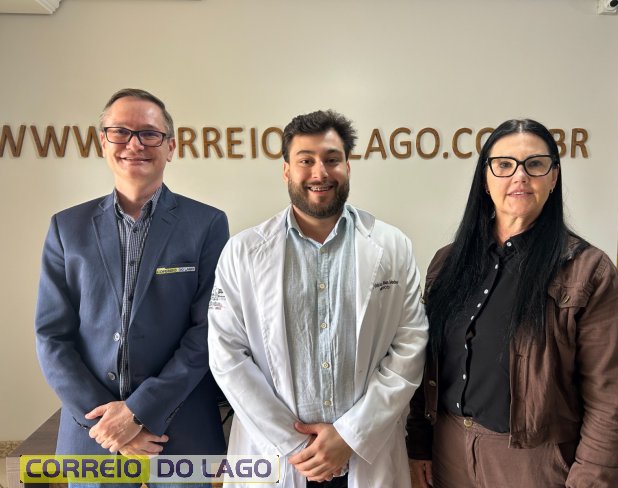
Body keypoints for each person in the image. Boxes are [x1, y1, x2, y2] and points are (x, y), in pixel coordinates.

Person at [407, 119, 618, 488]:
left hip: (533, 463)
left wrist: (591, 480)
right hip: (448, 450)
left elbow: (610, 398)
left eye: (535, 164)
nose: (520, 176)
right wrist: (419, 444)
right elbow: (424, 359)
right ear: (485, 179)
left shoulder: (589, 271)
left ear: (553, 177)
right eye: (504, 165)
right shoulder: (447, 262)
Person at [207, 109, 428, 487]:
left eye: (331, 159)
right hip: (277, 456)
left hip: (364, 453)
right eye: (305, 160)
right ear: (286, 171)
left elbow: (410, 345)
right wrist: (295, 444)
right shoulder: (243, 251)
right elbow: (227, 355)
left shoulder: (393, 246)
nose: (319, 173)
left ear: (348, 167)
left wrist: (350, 436)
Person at [35, 89, 229, 468]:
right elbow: (51, 336)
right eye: (120, 132)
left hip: (180, 426)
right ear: (103, 143)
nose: (134, 144)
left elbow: (209, 330)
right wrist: (108, 420)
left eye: (149, 133)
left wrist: (139, 411)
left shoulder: (207, 224)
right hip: (93, 431)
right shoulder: (66, 227)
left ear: (171, 147)